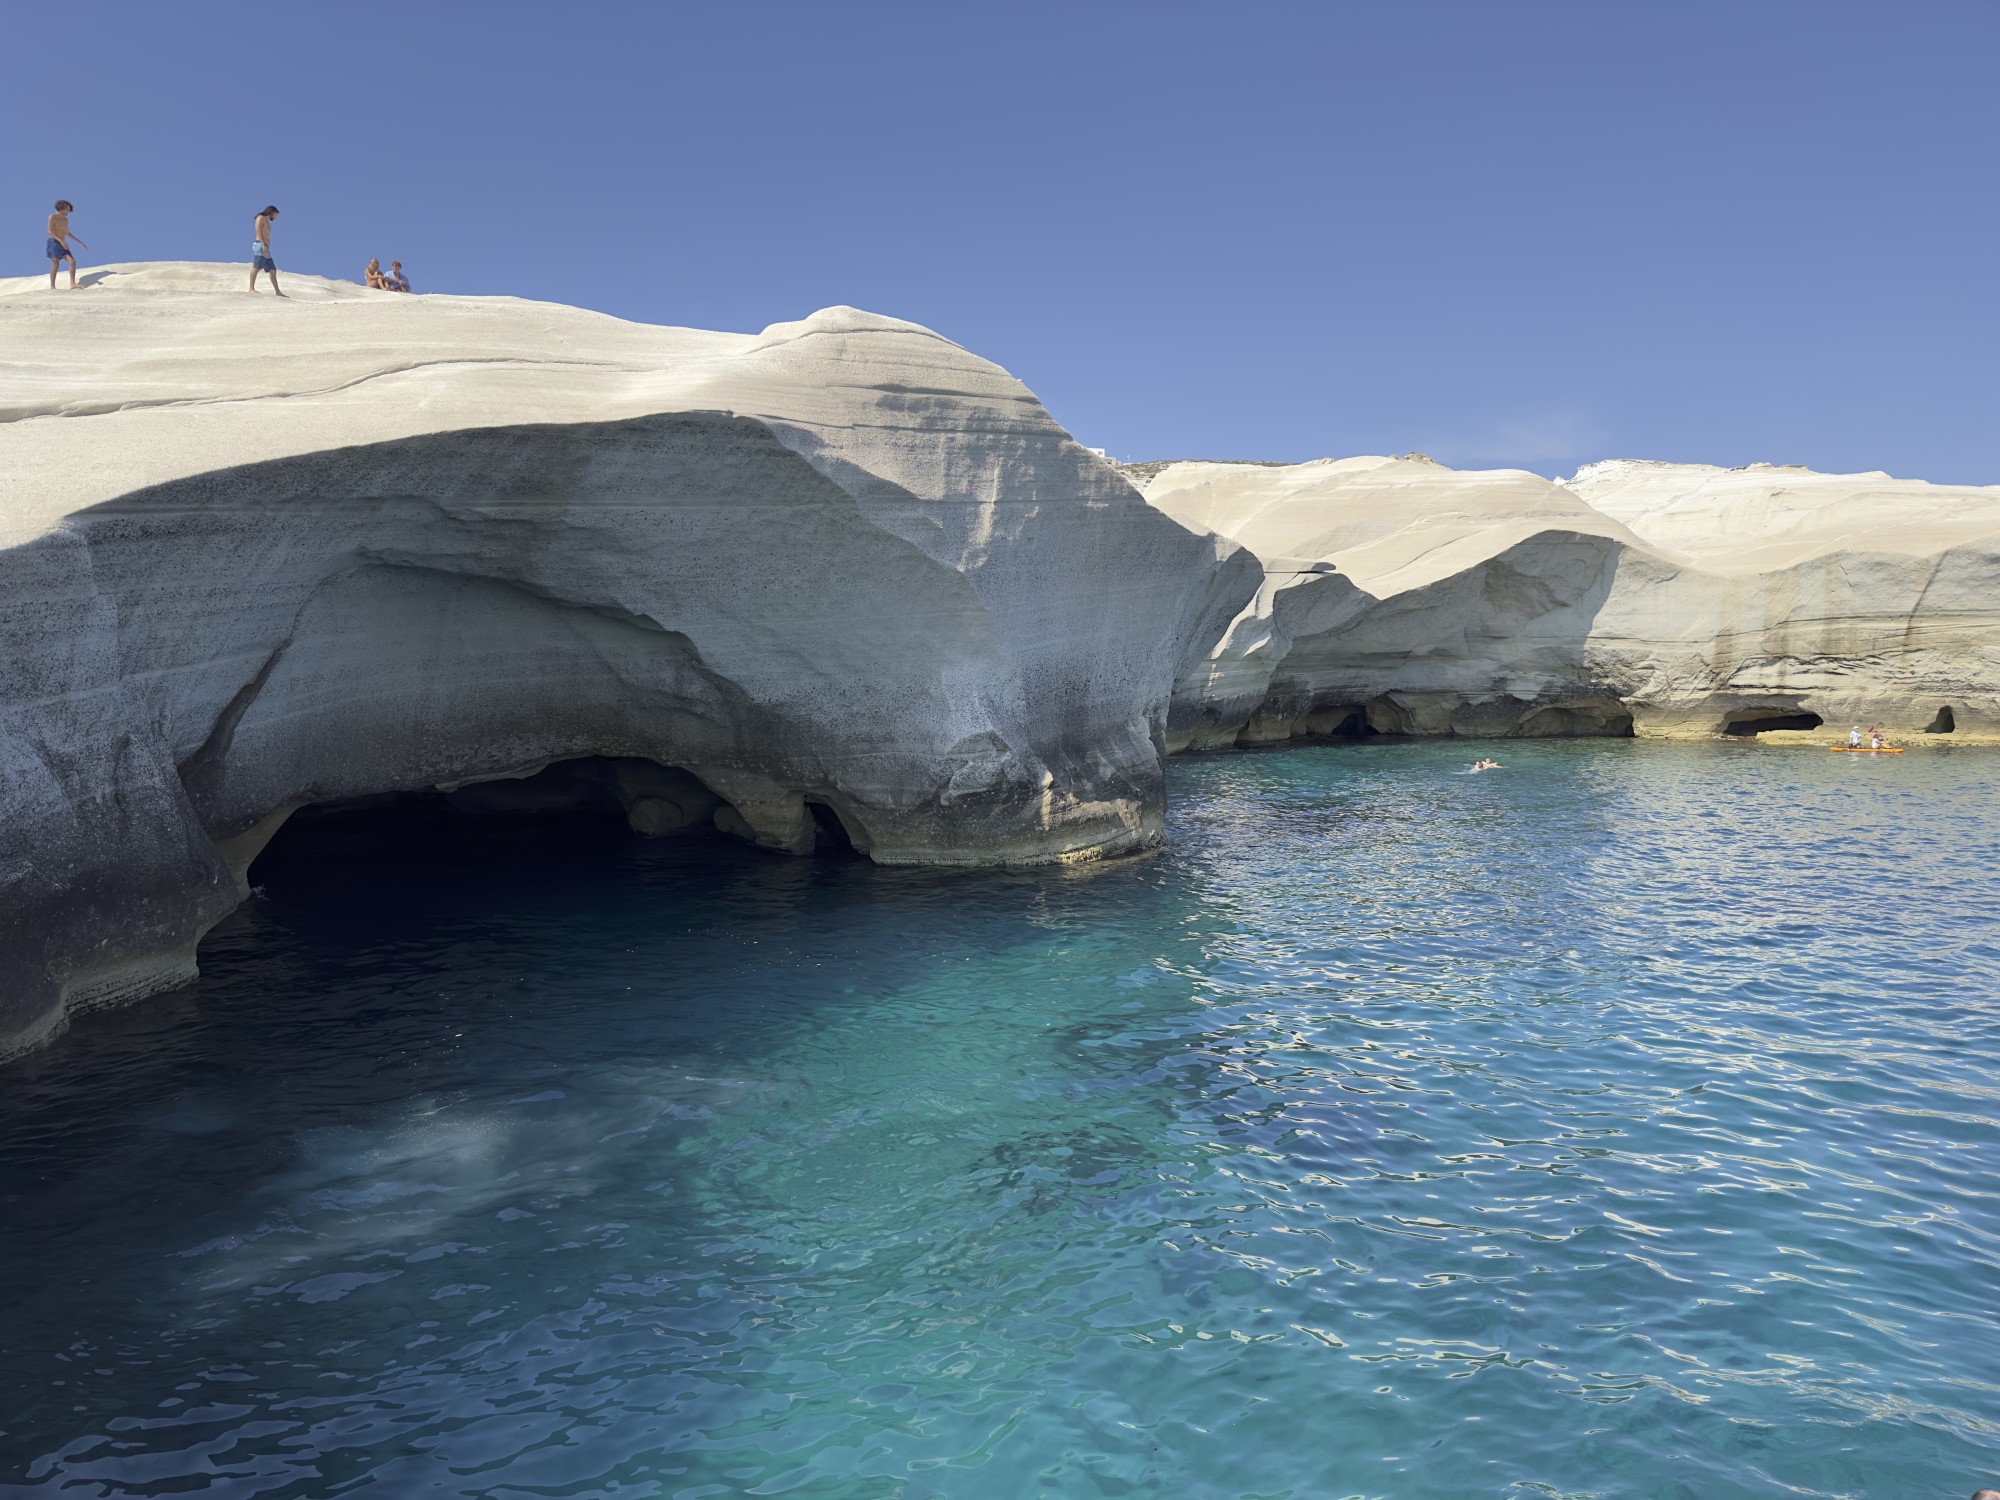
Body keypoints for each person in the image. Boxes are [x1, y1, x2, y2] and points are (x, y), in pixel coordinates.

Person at [46, 200, 88, 290]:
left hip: (62, 243)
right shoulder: (52, 217)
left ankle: (72, 284)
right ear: (61, 208)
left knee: (72, 262)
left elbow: (67, 233)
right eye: (67, 209)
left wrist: (80, 242)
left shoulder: (65, 220)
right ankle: (52, 286)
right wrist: (61, 241)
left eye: (69, 209)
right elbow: (50, 232)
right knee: (55, 263)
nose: (68, 211)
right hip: (54, 242)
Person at [249, 205, 283, 297]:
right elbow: (258, 231)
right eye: (275, 215)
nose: (276, 217)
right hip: (260, 245)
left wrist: (266, 246)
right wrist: (263, 244)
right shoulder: (260, 218)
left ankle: (278, 292)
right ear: (271, 212)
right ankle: (251, 288)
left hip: (266, 247)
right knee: (257, 267)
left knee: (272, 269)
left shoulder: (267, 222)